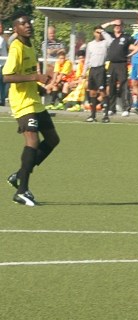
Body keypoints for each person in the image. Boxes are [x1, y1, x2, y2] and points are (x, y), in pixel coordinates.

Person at [3, 11, 61, 206]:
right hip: (22, 103)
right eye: (23, 23)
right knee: (33, 141)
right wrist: (35, 77)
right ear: (16, 28)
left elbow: (26, 74)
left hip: (33, 100)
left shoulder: (30, 45)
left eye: (29, 22)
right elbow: (7, 76)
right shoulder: (16, 48)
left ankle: (19, 174)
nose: (27, 25)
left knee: (53, 139)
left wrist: (39, 87)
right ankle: (22, 191)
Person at [102, 19, 138, 122]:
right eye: (115, 25)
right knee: (111, 86)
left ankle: (126, 108)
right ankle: (112, 108)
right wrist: (110, 22)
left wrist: (130, 54)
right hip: (112, 64)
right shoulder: (110, 35)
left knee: (124, 86)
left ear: (122, 26)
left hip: (122, 64)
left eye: (119, 25)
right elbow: (99, 29)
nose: (117, 27)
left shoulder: (126, 37)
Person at [83, 25, 112, 122]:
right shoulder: (90, 44)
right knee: (92, 92)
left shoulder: (105, 43)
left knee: (102, 92)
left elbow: (111, 41)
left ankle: (106, 115)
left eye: (100, 33)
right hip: (92, 70)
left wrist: (103, 31)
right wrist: (84, 71)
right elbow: (87, 58)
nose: (98, 34)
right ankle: (93, 115)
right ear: (94, 33)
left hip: (101, 69)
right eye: (97, 32)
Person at [0, 21, 8, 106]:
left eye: (1, 27)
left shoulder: (2, 39)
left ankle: (1, 100)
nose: (1, 29)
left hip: (3, 64)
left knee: (2, 83)